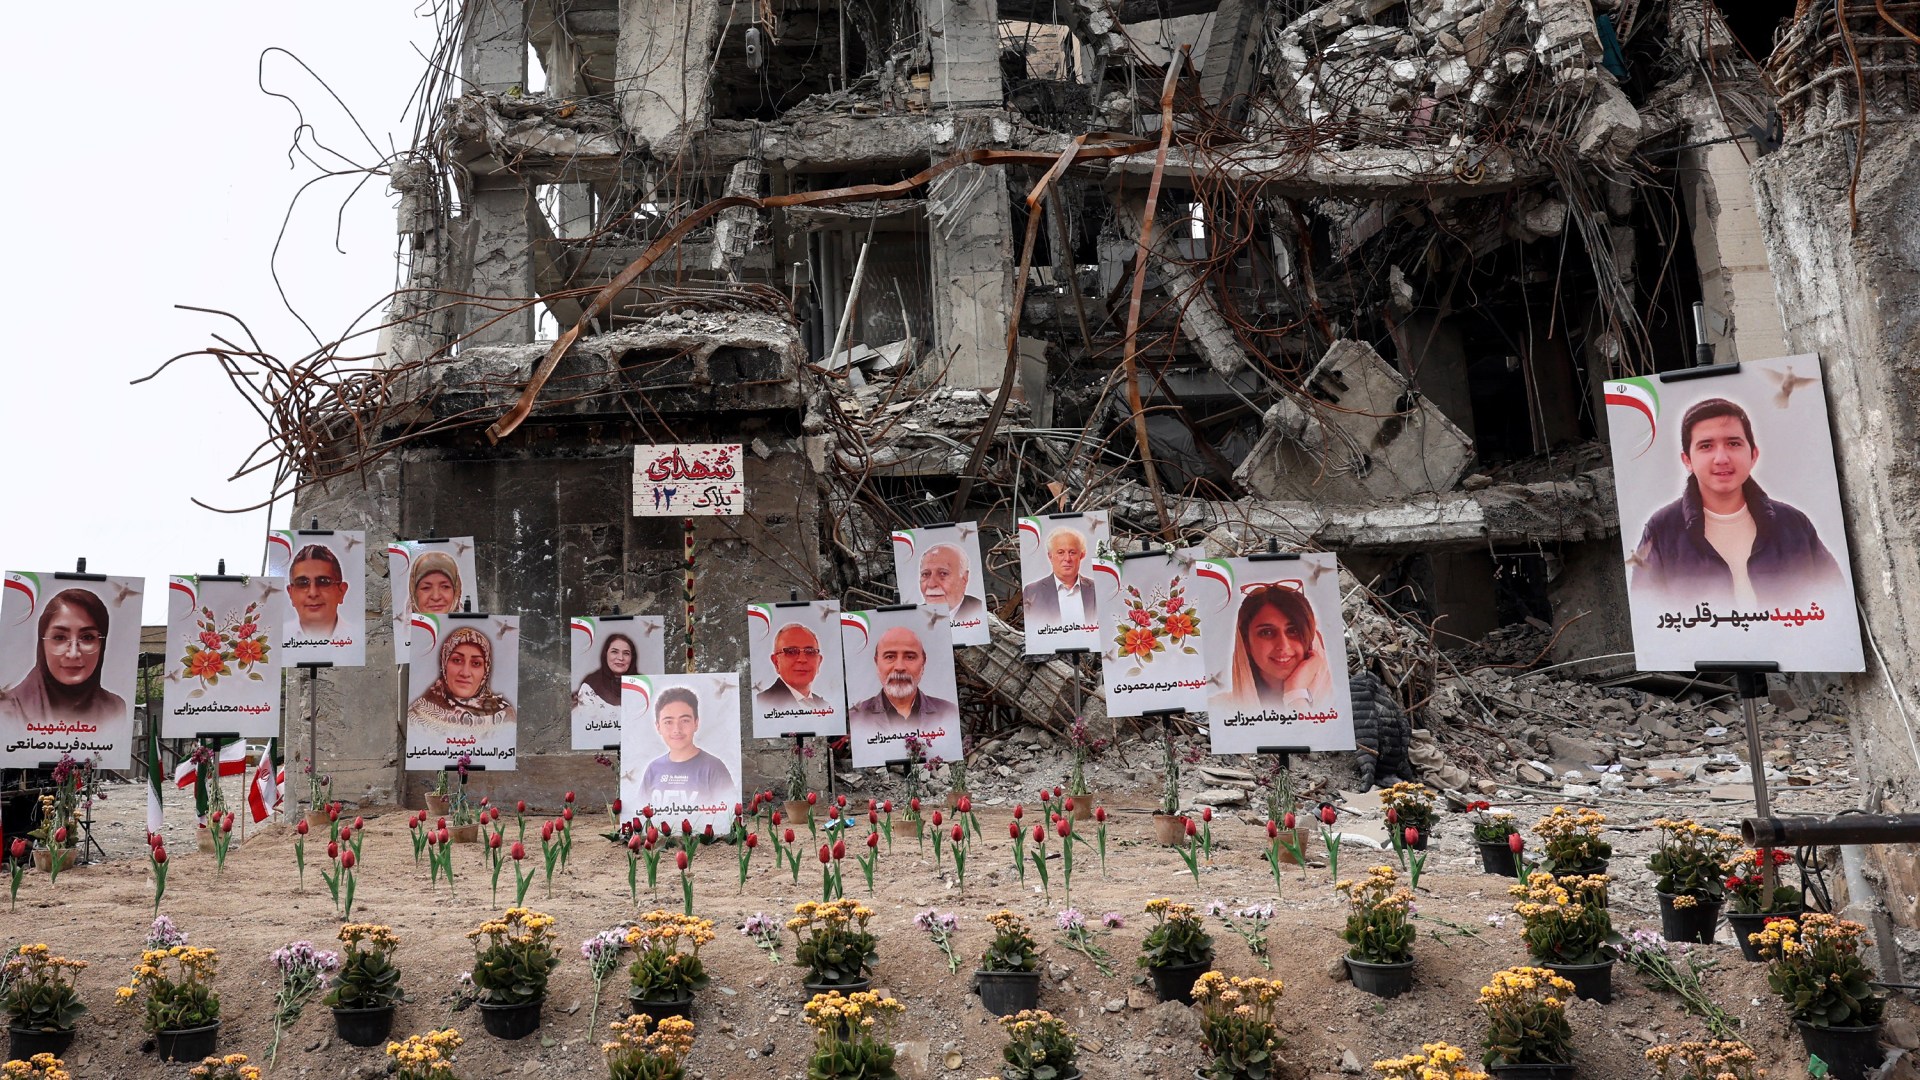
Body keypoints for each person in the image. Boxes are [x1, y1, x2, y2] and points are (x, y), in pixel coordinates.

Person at [1630, 397, 1843, 609]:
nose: (1721, 458)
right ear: (1687, 460)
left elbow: (1836, 601)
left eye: (1733, 443)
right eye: (1706, 446)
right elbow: (1648, 620)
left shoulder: (1794, 525)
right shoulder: (1662, 530)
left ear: (1753, 455)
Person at [0, 588, 127, 728]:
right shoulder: (10, 709)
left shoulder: (115, 709)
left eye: (87, 637)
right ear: (42, 644)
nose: (73, 653)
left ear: (102, 644)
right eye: (59, 637)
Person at [1214, 583, 1334, 713]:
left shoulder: (1339, 698)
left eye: (1293, 630)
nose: (1283, 646)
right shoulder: (1222, 708)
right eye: (1267, 632)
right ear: (1246, 643)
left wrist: (1295, 692)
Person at [848, 626, 958, 750]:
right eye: (890, 657)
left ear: (923, 663)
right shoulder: (856, 717)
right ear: (876, 663)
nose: (899, 667)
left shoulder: (949, 713)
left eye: (910, 657)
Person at [408, 626, 515, 741]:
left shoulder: (504, 715)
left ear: (486, 670)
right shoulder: (418, 714)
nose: (465, 673)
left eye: (476, 663)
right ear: (444, 664)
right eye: (457, 660)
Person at [639, 687, 737, 808]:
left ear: (696, 723)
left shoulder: (714, 768)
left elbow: (730, 816)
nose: (677, 730)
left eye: (685, 720)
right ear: (658, 726)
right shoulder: (653, 769)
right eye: (668, 722)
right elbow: (640, 814)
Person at [1021, 527, 1098, 626]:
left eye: (1072, 552)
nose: (1067, 558)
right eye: (1060, 552)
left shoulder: (1096, 589)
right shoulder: (1032, 592)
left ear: (1081, 555)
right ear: (1050, 556)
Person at [755, 624, 834, 711]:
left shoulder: (825, 706)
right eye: (791, 652)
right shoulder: (761, 704)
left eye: (810, 652)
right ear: (776, 662)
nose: (802, 659)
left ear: (819, 662)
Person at [572, 632, 636, 734]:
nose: (620, 658)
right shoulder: (589, 686)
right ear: (605, 654)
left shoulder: (640, 686)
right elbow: (588, 729)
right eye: (614, 652)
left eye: (626, 653)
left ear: (632, 658)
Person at [288, 544, 351, 638]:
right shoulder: (277, 639)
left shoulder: (362, 641)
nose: (313, 593)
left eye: (324, 582)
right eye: (302, 583)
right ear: (291, 593)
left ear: (341, 591)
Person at [918, 543, 985, 624]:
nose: (931, 584)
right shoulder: (913, 617)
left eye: (943, 573)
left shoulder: (979, 610)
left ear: (964, 578)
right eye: (925, 574)